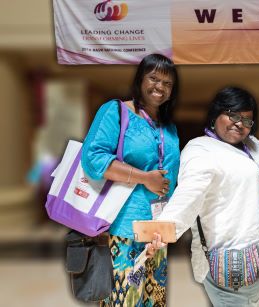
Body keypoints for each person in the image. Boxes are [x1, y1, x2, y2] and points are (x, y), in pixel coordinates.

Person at [155, 87, 259, 306]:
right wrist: (163, 230)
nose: (240, 124)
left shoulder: (252, 145)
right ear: (216, 114)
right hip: (229, 256)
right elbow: (190, 193)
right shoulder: (201, 149)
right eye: (233, 115)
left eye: (247, 120)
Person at [81, 53, 180, 306]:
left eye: (167, 83)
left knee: (154, 301)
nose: (160, 87)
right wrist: (145, 178)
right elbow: (94, 159)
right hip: (122, 229)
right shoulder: (116, 111)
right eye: (154, 78)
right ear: (140, 80)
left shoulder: (168, 127)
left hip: (157, 230)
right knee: (124, 301)